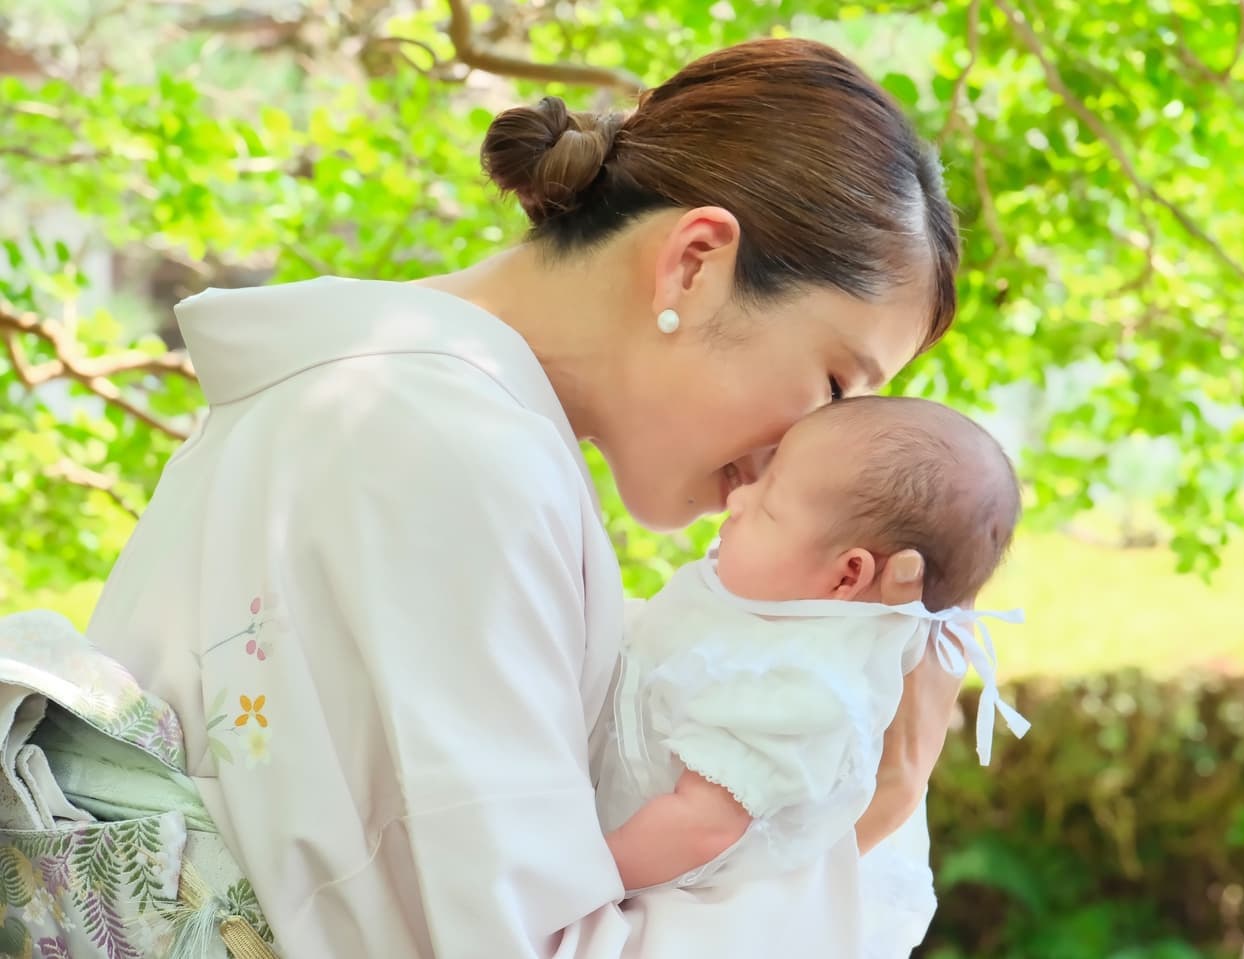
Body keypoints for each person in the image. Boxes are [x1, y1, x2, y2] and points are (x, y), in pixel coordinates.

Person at [85, 36, 963, 958]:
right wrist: (870, 815)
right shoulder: (444, 444)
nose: (816, 446)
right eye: (833, 384)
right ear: (695, 263)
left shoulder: (389, 398)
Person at [599, 397, 1031, 894]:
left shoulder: (801, 685)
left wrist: (571, 883)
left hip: (636, 871)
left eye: (768, 506)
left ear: (848, 575)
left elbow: (702, 827)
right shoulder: (768, 615)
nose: (738, 500)